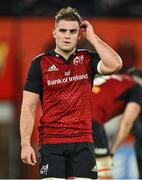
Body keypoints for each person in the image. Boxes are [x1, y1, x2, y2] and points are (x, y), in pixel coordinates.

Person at [20, 6, 122, 179]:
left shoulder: (87, 59)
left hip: (83, 141)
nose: (67, 35)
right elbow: (28, 107)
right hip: (51, 142)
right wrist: (25, 143)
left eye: (73, 31)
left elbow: (115, 64)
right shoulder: (40, 64)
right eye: (63, 30)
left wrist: (92, 36)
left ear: (78, 34)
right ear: (54, 33)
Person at [92, 68, 142, 179]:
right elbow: (126, 123)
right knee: (105, 174)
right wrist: (112, 152)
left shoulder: (111, 80)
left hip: (66, 119)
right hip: (90, 121)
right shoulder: (136, 87)